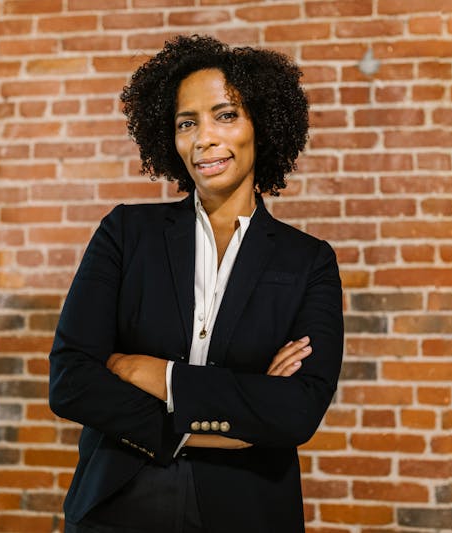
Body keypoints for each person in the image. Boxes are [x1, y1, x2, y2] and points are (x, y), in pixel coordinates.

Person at [48, 34, 344, 533]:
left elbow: (296, 412)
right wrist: (227, 424)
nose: (204, 137)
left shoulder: (308, 261)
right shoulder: (125, 233)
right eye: (188, 122)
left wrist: (156, 375)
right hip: (118, 500)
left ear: (262, 126)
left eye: (225, 115)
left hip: (247, 507)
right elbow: (71, 382)